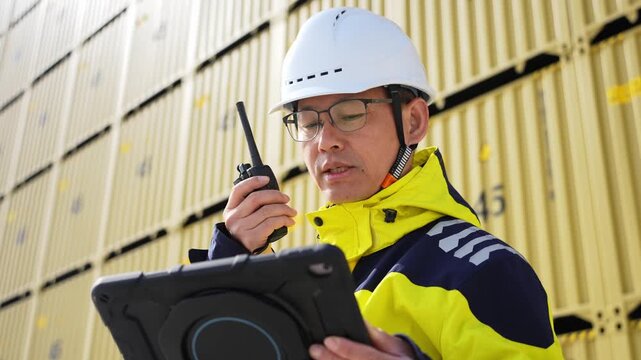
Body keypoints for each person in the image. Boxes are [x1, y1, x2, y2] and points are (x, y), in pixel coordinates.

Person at [190, 7, 564, 359]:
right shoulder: (303, 279)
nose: (325, 141)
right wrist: (231, 267)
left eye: (350, 114)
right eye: (309, 123)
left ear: (414, 122)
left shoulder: (485, 272)